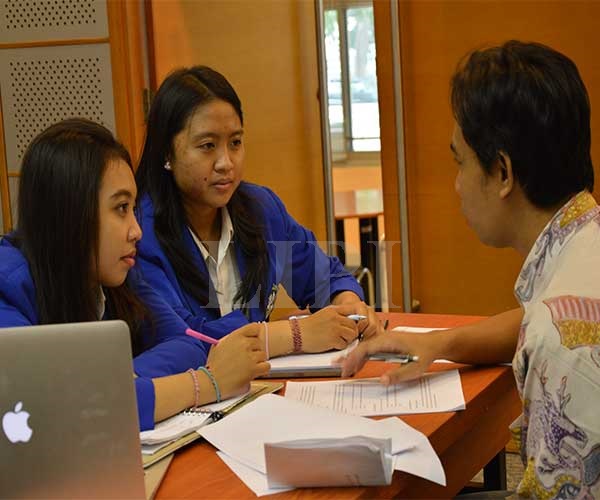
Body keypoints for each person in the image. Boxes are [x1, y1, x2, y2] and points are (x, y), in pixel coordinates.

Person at [342, 41, 600, 497]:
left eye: (460, 163)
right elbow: (542, 320)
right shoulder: (584, 249)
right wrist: (438, 343)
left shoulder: (560, 351)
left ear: (502, 173)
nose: (458, 186)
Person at [0, 118, 269, 431]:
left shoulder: (118, 273)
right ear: (70, 215)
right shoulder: (8, 287)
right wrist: (207, 384)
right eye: (120, 208)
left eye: (132, 208)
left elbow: (188, 344)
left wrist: (109, 385)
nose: (136, 230)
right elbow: (54, 412)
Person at [135, 65, 381, 357]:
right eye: (207, 146)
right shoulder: (138, 233)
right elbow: (181, 339)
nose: (226, 162)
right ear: (167, 152)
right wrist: (294, 334)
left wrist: (345, 301)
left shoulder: (261, 208)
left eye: (235, 143)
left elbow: (325, 277)